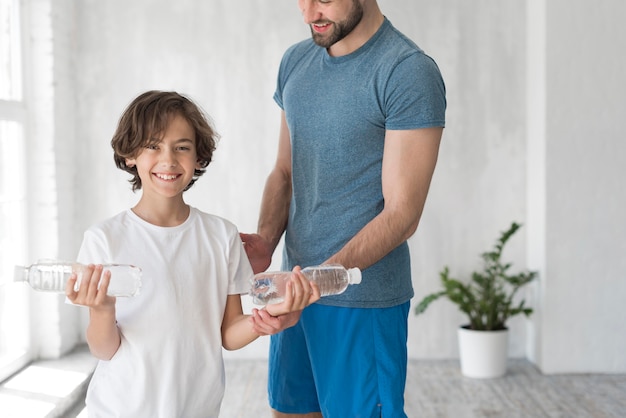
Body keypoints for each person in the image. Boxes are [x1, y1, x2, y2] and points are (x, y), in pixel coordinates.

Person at [241, 1, 446, 416]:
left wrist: (319, 280)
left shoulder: (406, 71)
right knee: (290, 411)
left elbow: (403, 214)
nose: (309, 14)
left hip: (361, 301)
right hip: (295, 290)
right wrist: (265, 241)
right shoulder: (296, 61)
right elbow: (285, 171)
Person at [65, 90, 320, 417]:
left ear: (199, 157)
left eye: (182, 147)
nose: (168, 160)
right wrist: (101, 310)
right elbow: (104, 349)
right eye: (153, 146)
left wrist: (266, 321)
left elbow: (228, 333)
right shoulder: (104, 239)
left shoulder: (221, 236)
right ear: (130, 154)